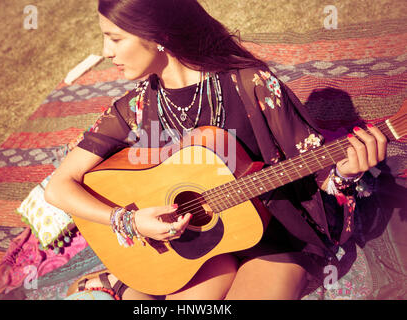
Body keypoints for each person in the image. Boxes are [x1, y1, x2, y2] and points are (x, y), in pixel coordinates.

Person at [44, 0, 387, 300]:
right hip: (198, 248)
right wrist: (129, 220)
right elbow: (59, 187)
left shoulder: (250, 83)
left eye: (115, 38)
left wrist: (346, 174)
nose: (106, 52)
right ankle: (124, 284)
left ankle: (121, 286)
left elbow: (315, 172)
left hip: (276, 239)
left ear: (159, 35)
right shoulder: (134, 106)